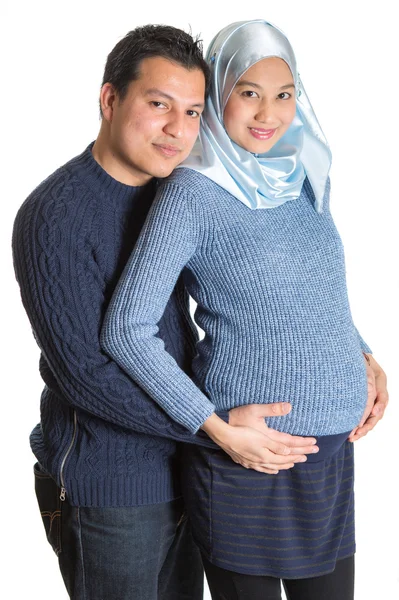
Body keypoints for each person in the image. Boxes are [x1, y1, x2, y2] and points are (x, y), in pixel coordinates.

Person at [12, 23, 323, 600]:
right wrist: (217, 430)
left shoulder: (176, 191)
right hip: (111, 485)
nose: (178, 130)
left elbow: (265, 293)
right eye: (159, 105)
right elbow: (87, 376)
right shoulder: (55, 215)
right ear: (110, 100)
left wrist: (361, 354)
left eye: (192, 111)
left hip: (191, 468)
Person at [101, 19, 389, 600]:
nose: (268, 114)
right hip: (245, 464)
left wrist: (363, 351)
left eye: (284, 95)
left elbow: (316, 286)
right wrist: (215, 426)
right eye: (248, 93)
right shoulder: (193, 192)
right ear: (218, 95)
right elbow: (126, 328)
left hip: (329, 456)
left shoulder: (305, 175)